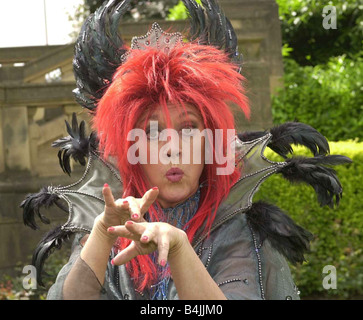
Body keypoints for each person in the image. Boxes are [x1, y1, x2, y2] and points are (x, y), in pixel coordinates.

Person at [21, 0, 351, 300]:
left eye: (189, 129)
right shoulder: (113, 222)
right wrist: (100, 234)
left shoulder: (235, 228)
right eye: (151, 132)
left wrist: (178, 248)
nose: (172, 150)